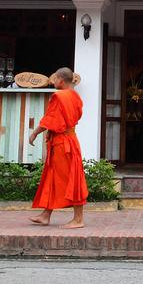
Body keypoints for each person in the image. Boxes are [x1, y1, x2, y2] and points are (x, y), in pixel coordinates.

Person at [28, 67, 88, 228]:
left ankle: (78, 219)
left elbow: (50, 119)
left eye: (54, 79)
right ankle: (45, 215)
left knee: (71, 178)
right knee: (52, 177)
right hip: (69, 139)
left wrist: (35, 132)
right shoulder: (75, 96)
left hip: (63, 143)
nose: (52, 81)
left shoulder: (59, 96)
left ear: (61, 80)